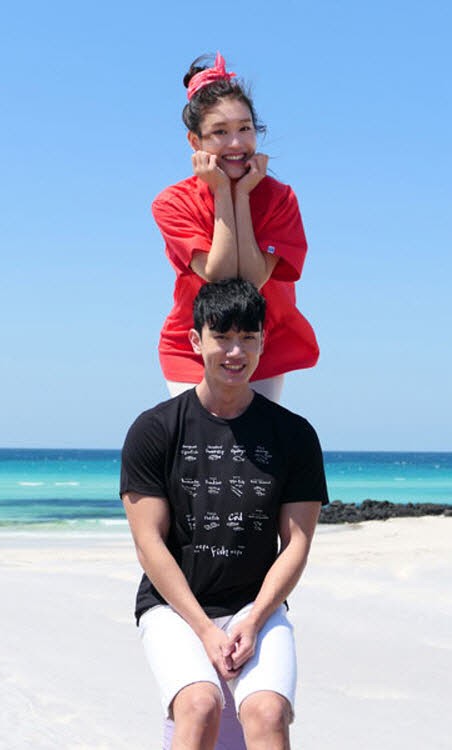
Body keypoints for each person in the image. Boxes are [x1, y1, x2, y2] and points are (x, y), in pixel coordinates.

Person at [120, 279, 329, 750]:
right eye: (222, 337)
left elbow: (296, 544)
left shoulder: (294, 436)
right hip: (173, 607)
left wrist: (253, 621)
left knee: (268, 712)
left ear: (262, 343)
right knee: (200, 705)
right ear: (197, 341)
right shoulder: (155, 429)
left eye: (248, 338)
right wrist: (202, 628)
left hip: (256, 605)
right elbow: (148, 544)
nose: (235, 352)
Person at [152, 52, 319, 404]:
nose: (235, 144)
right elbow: (221, 276)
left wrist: (240, 194)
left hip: (261, 342)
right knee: (197, 436)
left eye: (245, 128)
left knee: (254, 438)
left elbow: (252, 281)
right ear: (195, 142)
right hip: (194, 344)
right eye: (219, 132)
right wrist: (221, 193)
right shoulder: (172, 203)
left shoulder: (279, 199)